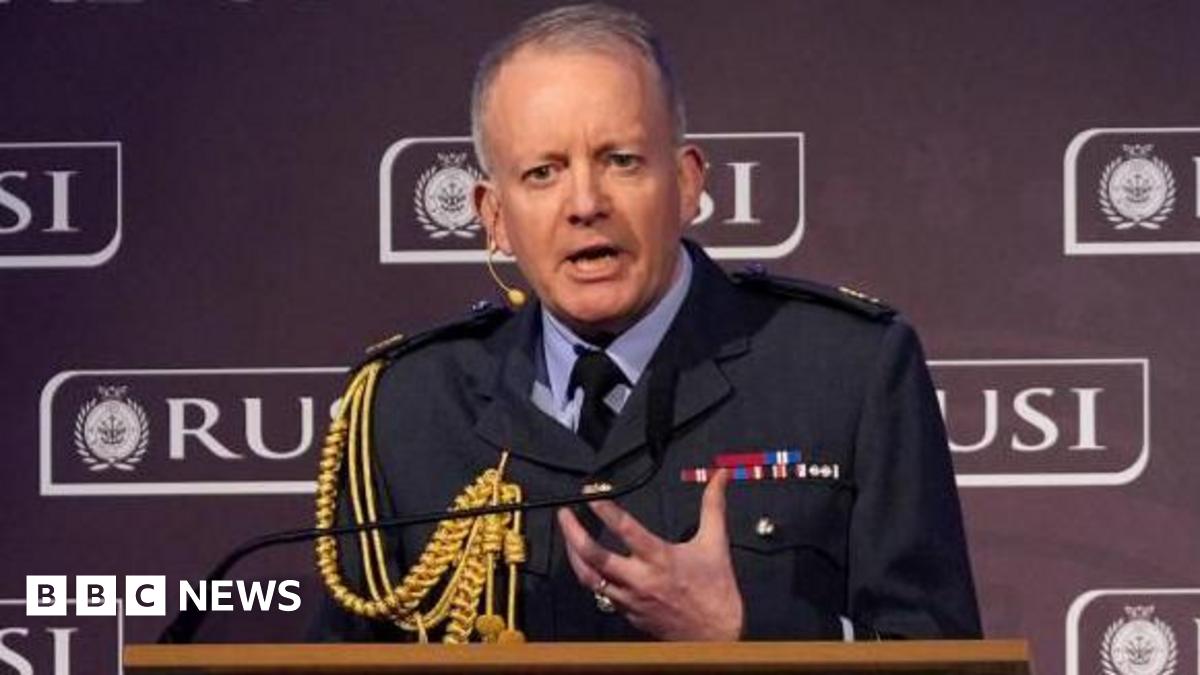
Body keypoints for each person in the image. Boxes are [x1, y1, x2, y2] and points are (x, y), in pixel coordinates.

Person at [320, 3, 981, 642]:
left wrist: (745, 631)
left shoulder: (849, 370)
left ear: (687, 183)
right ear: (494, 216)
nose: (585, 203)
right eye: (544, 172)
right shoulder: (405, 407)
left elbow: (941, 656)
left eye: (621, 160)